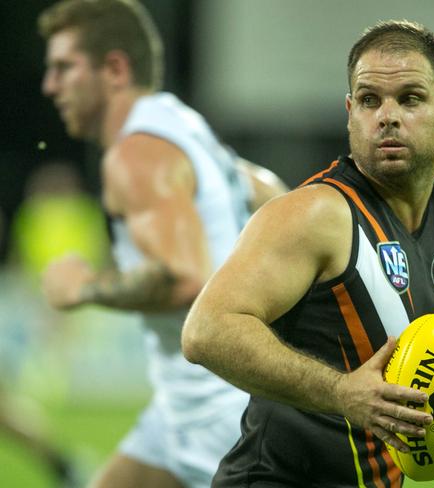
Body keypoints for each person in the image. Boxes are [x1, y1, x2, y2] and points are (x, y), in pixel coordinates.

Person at [181, 20, 434, 487]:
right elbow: (207, 330)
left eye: (410, 98)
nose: (387, 115)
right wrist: (340, 391)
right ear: (349, 113)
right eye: (369, 100)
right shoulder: (317, 213)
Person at [38, 1, 286, 487]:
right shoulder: (180, 122)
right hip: (185, 410)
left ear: (114, 69)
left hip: (218, 415)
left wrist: (84, 287)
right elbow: (273, 194)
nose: (50, 85)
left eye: (65, 67)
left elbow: (182, 278)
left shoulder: (136, 155)